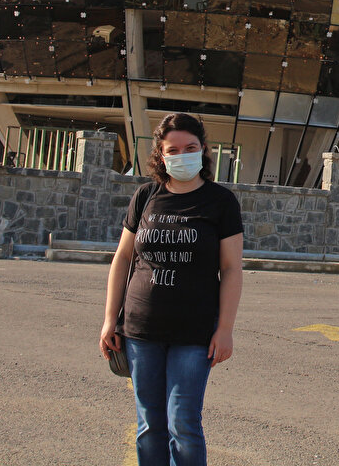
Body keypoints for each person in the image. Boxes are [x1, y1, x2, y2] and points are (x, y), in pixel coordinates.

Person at [99, 113, 244, 466]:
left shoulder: (221, 202)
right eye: (173, 149)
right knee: (150, 424)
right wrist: (108, 321)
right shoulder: (146, 196)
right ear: (161, 156)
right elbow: (122, 260)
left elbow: (231, 269)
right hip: (140, 330)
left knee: (184, 423)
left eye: (190, 148)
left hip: (193, 333)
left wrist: (224, 330)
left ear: (204, 151)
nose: (182, 155)